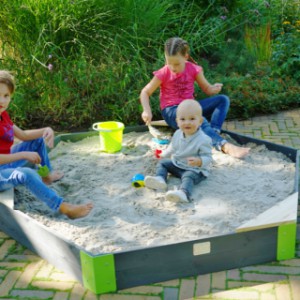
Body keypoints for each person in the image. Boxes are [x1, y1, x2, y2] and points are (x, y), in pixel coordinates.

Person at [0, 70, 93, 219]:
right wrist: (23, 154)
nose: (2, 101)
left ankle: (46, 176)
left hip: (6, 163)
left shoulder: (2, 115)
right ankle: (64, 207)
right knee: (27, 173)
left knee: (37, 140)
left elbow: (23, 135)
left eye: (6, 96)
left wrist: (46, 130)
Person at [140, 37, 250, 158]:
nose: (172, 67)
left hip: (191, 107)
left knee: (223, 100)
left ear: (186, 57)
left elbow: (207, 89)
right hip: (172, 111)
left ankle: (213, 132)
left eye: (176, 64)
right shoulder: (163, 73)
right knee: (195, 117)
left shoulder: (193, 69)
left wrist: (213, 88)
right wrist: (147, 110)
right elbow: (145, 92)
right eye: (169, 63)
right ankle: (224, 146)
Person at [144, 100, 212, 203]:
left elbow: (208, 157)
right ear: (177, 121)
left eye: (192, 119)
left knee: (188, 177)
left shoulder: (204, 139)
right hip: (178, 164)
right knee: (163, 163)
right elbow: (173, 147)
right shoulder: (178, 133)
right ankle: (160, 179)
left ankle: (184, 193)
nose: (187, 122)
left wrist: (199, 161)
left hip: (194, 170)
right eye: (182, 119)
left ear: (200, 121)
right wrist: (164, 154)